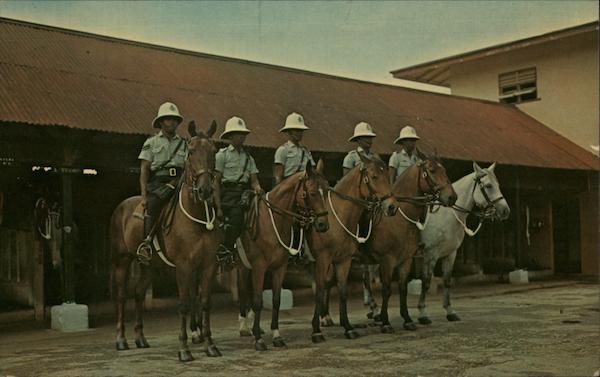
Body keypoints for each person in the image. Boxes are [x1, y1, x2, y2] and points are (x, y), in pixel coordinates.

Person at [137, 102, 186, 264]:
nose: (171, 122)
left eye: (174, 119)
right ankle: (146, 244)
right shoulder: (151, 142)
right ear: (161, 122)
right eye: (167, 119)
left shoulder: (185, 144)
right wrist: (144, 196)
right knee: (153, 205)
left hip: (179, 182)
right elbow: (144, 170)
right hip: (158, 183)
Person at [215, 116, 263, 266]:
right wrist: (217, 205)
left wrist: (258, 189)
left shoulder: (249, 158)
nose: (242, 137)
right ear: (230, 136)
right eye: (238, 134)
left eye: (243, 134)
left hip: (244, 193)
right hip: (227, 193)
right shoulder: (221, 155)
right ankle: (226, 248)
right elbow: (216, 181)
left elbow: (254, 180)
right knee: (237, 215)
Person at [273, 112, 315, 185]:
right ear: (289, 132)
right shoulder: (283, 150)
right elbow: (278, 176)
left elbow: (312, 171)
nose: (300, 133)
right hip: (289, 186)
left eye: (301, 131)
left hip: (304, 186)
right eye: (297, 130)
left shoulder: (306, 151)